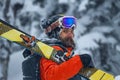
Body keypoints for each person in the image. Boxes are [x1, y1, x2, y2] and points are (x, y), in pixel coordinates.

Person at [22, 15, 94, 80]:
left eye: (72, 32)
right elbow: (52, 76)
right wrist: (80, 60)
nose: (71, 35)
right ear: (55, 33)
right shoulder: (50, 50)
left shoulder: (65, 56)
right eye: (65, 31)